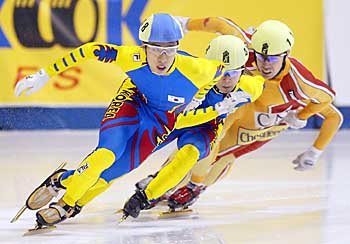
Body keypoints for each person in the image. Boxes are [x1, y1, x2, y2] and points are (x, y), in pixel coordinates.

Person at [13, 13, 231, 227]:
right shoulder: (131, 57)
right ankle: (67, 204)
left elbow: (222, 73)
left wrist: (198, 98)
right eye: (155, 50)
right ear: (144, 47)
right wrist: (43, 75)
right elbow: (89, 50)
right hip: (132, 103)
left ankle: (61, 180)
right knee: (105, 156)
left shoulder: (200, 69)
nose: (162, 58)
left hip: (159, 121)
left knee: (112, 173)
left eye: (169, 50)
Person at [148, 17, 344, 210]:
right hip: (236, 106)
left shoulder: (300, 85)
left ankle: (195, 186)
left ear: (287, 54)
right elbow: (221, 24)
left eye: (273, 58)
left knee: (224, 155)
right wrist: (184, 24)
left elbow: (333, 112)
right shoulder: (247, 50)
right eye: (261, 57)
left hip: (259, 124)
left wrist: (309, 137)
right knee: (207, 137)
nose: (266, 64)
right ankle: (166, 178)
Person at [121, 35, 265, 218]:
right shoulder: (192, 77)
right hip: (181, 118)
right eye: (221, 72)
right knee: (133, 149)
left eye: (233, 72)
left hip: (210, 125)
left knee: (202, 154)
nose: (226, 79)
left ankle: (189, 187)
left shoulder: (250, 88)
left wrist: (144, 197)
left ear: (243, 71)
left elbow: (259, 83)